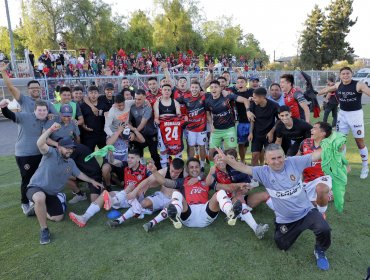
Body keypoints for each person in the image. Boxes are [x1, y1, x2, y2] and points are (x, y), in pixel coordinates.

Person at [216, 144, 331, 271]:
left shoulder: (294, 162)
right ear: (266, 160)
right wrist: (227, 160)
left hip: (306, 212)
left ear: (284, 156)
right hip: (285, 220)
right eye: (273, 159)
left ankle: (320, 251)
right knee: (282, 245)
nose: (277, 161)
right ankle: (287, 231)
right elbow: (243, 167)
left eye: (279, 157)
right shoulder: (263, 172)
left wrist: (332, 143)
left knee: (324, 228)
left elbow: (316, 154)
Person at [27, 127, 103, 244]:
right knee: (40, 197)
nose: (69, 150)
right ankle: (44, 229)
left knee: (58, 217)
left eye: (71, 148)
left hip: (51, 193)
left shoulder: (70, 162)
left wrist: (92, 181)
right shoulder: (50, 153)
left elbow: (80, 174)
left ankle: (37, 209)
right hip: (36, 187)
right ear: (59, 147)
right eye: (66, 148)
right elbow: (40, 143)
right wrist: (50, 130)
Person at [147, 158, 243, 229]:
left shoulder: (207, 181)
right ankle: (175, 215)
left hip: (206, 212)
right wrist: (154, 171)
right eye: (191, 167)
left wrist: (240, 185)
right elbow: (164, 182)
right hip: (188, 213)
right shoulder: (182, 181)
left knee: (221, 192)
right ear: (187, 170)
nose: (194, 169)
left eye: (196, 167)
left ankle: (230, 212)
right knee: (176, 193)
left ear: (200, 168)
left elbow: (225, 187)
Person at [69, 149, 151, 227]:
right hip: (124, 195)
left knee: (129, 188)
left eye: (132, 158)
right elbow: (112, 161)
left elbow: (155, 178)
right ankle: (84, 217)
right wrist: (111, 153)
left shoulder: (145, 170)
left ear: (138, 159)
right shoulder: (126, 165)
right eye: (128, 157)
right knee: (104, 195)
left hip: (135, 198)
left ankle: (112, 201)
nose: (129, 160)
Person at [206, 149, 271, 239]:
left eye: (221, 157)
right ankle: (256, 228)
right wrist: (210, 172)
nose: (220, 160)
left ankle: (283, 218)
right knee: (239, 198)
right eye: (217, 159)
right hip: (227, 203)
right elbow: (209, 183)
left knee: (266, 195)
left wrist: (246, 187)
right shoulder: (215, 172)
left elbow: (246, 181)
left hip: (238, 197)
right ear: (214, 162)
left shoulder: (231, 168)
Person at [319, 66, 370, 179]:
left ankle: (365, 167)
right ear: (340, 75)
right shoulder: (338, 85)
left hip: (355, 115)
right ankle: (341, 166)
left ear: (351, 74)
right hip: (342, 115)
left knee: (359, 142)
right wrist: (315, 93)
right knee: (340, 142)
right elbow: (326, 90)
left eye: (348, 73)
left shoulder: (359, 84)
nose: (346, 75)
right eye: (343, 74)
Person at [0, 100, 49, 215]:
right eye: (39, 110)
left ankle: (33, 199)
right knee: (27, 179)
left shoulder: (46, 120)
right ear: (35, 110)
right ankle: (25, 202)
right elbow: (10, 115)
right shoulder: (25, 116)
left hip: (39, 154)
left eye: (44, 110)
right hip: (24, 155)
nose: (42, 112)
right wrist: (4, 108)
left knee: (37, 178)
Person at [106, 158, 185, 229]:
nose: (173, 174)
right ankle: (118, 221)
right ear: (170, 165)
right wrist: (134, 191)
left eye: (177, 173)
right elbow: (147, 180)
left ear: (181, 170)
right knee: (143, 203)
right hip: (161, 196)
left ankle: (150, 224)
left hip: (173, 200)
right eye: (172, 171)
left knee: (172, 208)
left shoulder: (185, 174)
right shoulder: (165, 170)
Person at [205, 80, 253, 164]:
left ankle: (233, 170)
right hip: (216, 130)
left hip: (229, 129)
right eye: (211, 87)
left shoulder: (228, 96)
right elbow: (208, 113)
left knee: (232, 152)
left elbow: (246, 100)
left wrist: (248, 111)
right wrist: (211, 124)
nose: (213, 89)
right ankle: (214, 171)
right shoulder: (208, 99)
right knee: (211, 153)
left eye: (216, 87)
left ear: (220, 88)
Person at [297, 122, 333, 219]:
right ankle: (328, 196)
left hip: (322, 178)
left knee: (321, 189)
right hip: (306, 179)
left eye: (315, 128)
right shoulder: (305, 142)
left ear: (323, 133)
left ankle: (321, 213)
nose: (311, 130)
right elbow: (297, 158)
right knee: (305, 204)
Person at [176, 81, 207, 170]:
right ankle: (191, 164)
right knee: (191, 146)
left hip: (202, 127)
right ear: (190, 88)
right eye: (193, 87)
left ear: (199, 88)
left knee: (202, 146)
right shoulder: (185, 97)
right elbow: (173, 102)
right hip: (190, 128)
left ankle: (202, 165)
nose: (194, 89)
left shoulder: (204, 96)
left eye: (196, 87)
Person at [130, 89, 161, 169]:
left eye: (139, 99)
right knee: (138, 153)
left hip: (151, 134)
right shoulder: (131, 106)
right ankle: (139, 171)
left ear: (145, 98)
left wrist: (134, 131)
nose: (137, 101)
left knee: (154, 154)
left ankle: (159, 171)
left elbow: (142, 124)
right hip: (140, 134)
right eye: (135, 98)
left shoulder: (148, 107)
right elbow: (128, 120)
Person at [153, 84, 182, 168]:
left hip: (174, 130)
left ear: (171, 92)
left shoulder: (175, 102)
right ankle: (164, 170)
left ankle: (178, 168)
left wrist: (178, 118)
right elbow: (156, 117)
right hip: (162, 130)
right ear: (161, 91)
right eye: (165, 89)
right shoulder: (157, 103)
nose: (166, 91)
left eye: (168, 90)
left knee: (177, 148)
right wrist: (157, 120)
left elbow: (179, 114)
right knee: (163, 150)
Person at [248, 87, 279, 166]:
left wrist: (272, 132)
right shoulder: (253, 105)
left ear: (262, 97)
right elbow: (252, 119)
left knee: (269, 157)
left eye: (255, 98)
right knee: (254, 156)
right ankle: (254, 176)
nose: (253, 99)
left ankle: (269, 175)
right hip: (256, 134)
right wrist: (251, 132)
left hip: (269, 135)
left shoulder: (274, 105)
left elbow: (279, 120)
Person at [80, 85, 110, 152]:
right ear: (88, 94)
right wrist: (83, 126)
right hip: (88, 135)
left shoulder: (103, 104)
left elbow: (108, 118)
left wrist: (107, 116)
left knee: (106, 155)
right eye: (91, 93)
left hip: (102, 134)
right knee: (89, 155)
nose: (93, 95)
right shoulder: (83, 106)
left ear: (98, 94)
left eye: (95, 93)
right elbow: (80, 118)